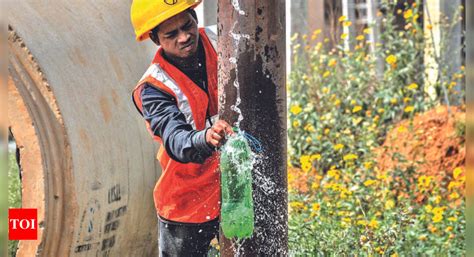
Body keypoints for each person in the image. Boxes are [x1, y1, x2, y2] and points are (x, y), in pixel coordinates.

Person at [130, 0, 233, 256]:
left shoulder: (221, 40)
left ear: (195, 18)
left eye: (187, 25)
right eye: (171, 34)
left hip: (235, 189)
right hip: (187, 202)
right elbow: (175, 138)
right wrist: (206, 139)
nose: (185, 37)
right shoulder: (152, 88)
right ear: (155, 39)